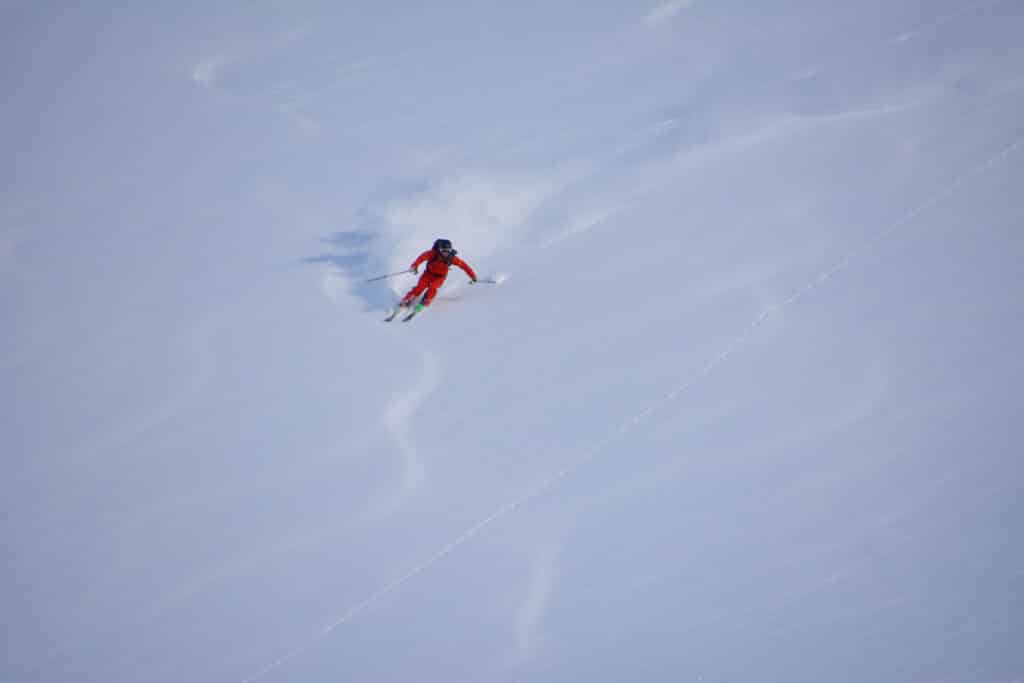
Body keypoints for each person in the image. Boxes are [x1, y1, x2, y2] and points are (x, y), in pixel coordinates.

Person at [399, 238, 478, 310]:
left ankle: (427, 299)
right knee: (421, 286)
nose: (445, 253)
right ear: (439, 249)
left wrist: (473, 276)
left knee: (433, 287)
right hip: (428, 273)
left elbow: (464, 266)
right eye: (443, 250)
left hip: (440, 277)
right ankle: (408, 298)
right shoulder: (433, 253)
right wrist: (414, 266)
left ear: (450, 250)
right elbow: (422, 257)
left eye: (448, 250)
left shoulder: (452, 258)